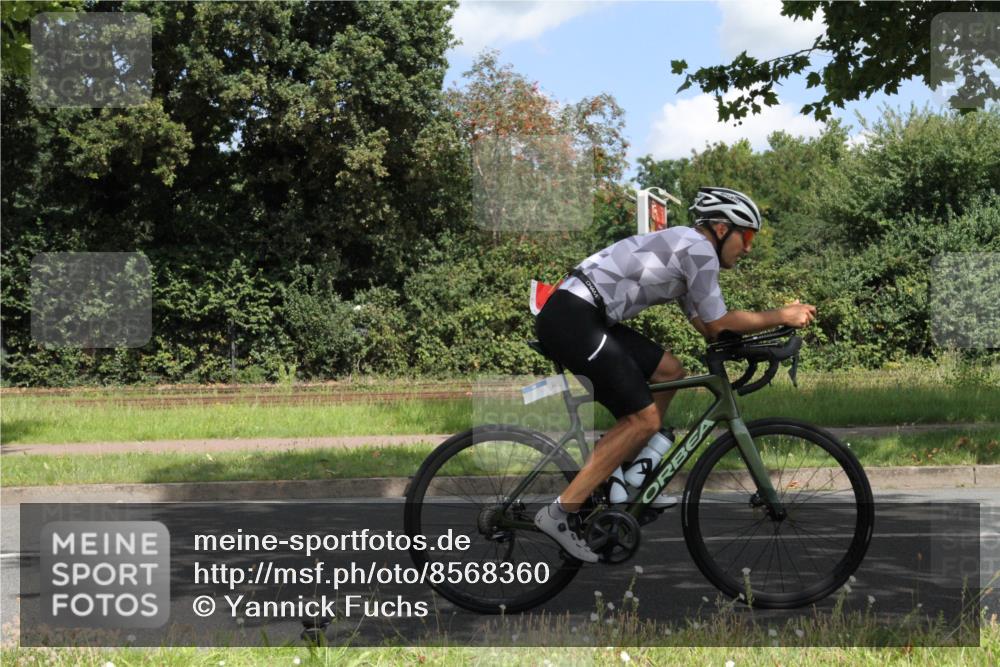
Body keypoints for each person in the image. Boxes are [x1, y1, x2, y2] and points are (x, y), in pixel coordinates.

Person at [532, 187, 817, 562]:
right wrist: (780, 315)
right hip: (573, 316)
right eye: (746, 236)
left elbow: (708, 327)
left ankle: (629, 477)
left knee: (669, 371)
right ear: (720, 228)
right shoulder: (698, 250)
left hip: (585, 314)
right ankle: (559, 512)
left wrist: (760, 339)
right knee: (643, 418)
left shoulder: (687, 248)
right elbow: (717, 323)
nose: (748, 248)